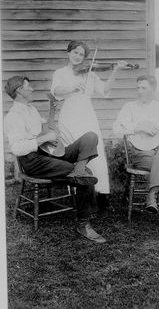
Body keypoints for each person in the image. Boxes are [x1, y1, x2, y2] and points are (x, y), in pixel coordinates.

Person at [4, 75, 106, 243]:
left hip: (49, 153)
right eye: (28, 86)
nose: (31, 89)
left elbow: (48, 129)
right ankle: (83, 224)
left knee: (90, 137)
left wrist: (54, 113)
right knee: (87, 174)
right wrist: (43, 139)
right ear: (20, 91)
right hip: (33, 161)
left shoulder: (32, 110)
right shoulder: (13, 117)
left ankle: (78, 172)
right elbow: (17, 148)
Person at [50, 41, 127, 208]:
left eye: (82, 55)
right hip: (69, 118)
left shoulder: (90, 74)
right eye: (75, 53)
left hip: (87, 116)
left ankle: (102, 195)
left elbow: (105, 91)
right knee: (78, 154)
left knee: (97, 152)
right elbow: (56, 92)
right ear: (69, 53)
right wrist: (72, 88)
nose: (78, 57)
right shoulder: (60, 73)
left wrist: (116, 71)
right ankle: (82, 195)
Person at [113, 75, 159, 238]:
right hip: (140, 151)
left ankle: (151, 195)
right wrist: (138, 127)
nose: (139, 91)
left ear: (153, 90)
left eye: (143, 88)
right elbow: (117, 128)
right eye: (137, 87)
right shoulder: (129, 107)